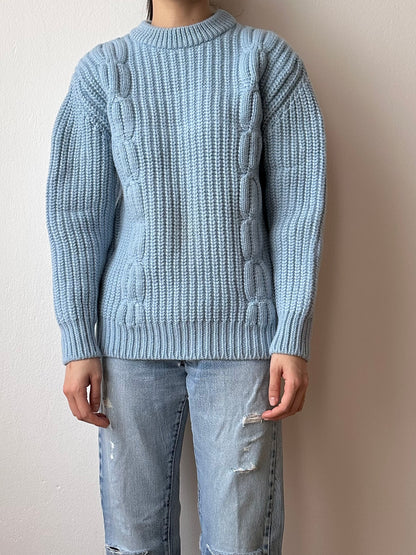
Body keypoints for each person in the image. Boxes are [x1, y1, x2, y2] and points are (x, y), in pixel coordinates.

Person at [45, 1, 327, 554]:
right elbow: (76, 213)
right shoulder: (105, 70)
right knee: (135, 547)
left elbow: (298, 209)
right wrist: (78, 342)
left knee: (241, 548)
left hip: (242, 347)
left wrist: (292, 332)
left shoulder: (265, 59)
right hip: (129, 349)